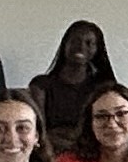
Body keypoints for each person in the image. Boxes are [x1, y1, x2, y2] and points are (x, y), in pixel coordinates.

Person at [26, 18, 118, 151]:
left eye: (89, 43)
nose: (80, 47)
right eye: (75, 40)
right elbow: (38, 132)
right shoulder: (41, 85)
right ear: (65, 44)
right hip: (51, 153)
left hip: (93, 152)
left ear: (97, 50)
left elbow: (107, 130)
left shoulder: (104, 86)